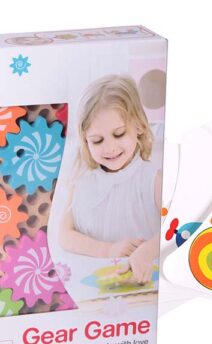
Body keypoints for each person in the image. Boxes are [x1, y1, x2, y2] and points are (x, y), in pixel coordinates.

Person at [59, 75, 162, 284]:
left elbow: (180, 228)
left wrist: (148, 251)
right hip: (97, 282)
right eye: (97, 141)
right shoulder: (81, 180)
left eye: (119, 134)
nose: (109, 148)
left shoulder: (152, 179)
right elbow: (65, 235)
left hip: (144, 282)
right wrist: (107, 250)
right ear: (85, 141)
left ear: (139, 126)